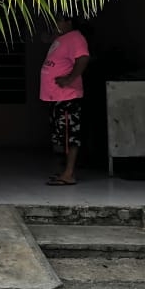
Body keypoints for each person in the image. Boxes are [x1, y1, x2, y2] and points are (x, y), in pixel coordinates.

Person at [40, 14, 90, 185]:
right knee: (60, 136)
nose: (56, 23)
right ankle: (63, 172)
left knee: (70, 136)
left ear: (69, 22)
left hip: (68, 97)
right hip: (56, 97)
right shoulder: (62, 38)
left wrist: (69, 79)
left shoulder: (76, 38)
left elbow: (83, 59)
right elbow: (43, 37)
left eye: (59, 20)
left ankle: (69, 174)